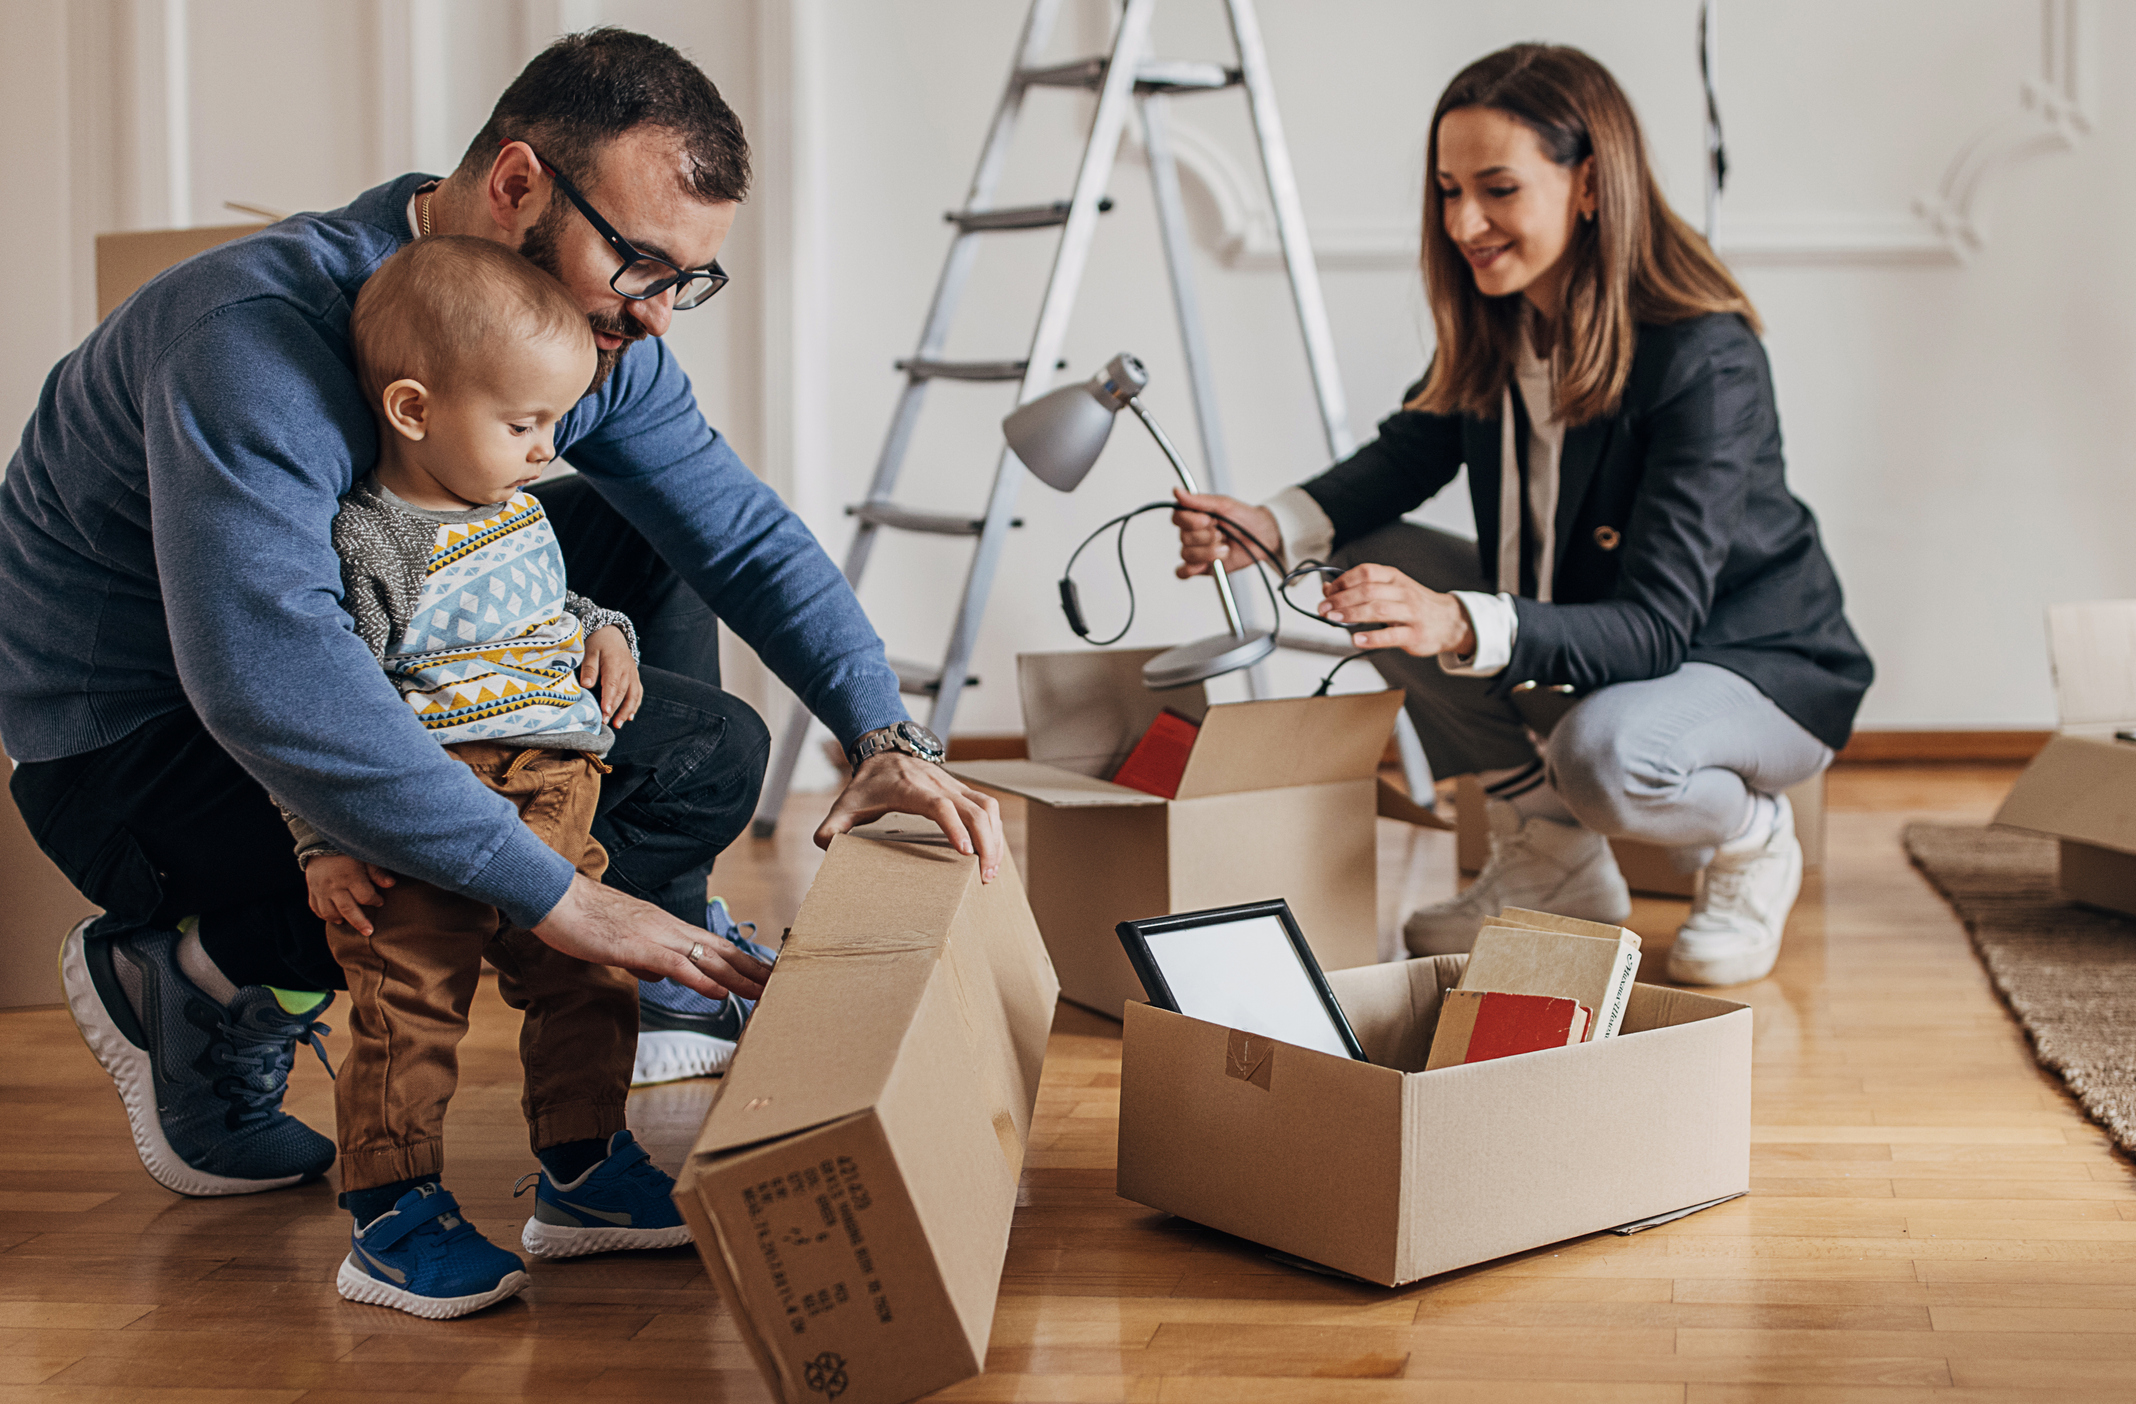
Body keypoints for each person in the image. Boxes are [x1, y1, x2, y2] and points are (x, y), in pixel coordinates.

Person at [0, 28, 1001, 1200]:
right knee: (704, 757)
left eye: (689, 279)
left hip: (376, 629)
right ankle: (203, 969)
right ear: (518, 183)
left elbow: (732, 528)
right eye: (641, 264)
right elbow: (269, 679)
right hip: (147, 747)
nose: (662, 314)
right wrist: (564, 897)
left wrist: (886, 738)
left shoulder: (580, 332)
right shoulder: (253, 338)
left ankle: (661, 949)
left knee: (641, 537)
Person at [1173, 44, 1872, 986]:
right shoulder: (1498, 328)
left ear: (1589, 183)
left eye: (1497, 189)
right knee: (1356, 572)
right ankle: (1555, 854)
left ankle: (1753, 841)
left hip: (1756, 661)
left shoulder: (1702, 354)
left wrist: (1458, 617)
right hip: (1610, 640)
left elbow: (1659, 626)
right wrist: (1267, 524)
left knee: (1608, 754)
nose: (1465, 221)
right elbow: (1397, 464)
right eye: (1449, 190)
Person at [304, 235, 716, 1317]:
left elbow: (538, 610)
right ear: (412, 411)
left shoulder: (514, 506)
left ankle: (583, 1172)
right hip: (427, 801)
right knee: (411, 1002)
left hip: (555, 789)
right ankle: (390, 1214)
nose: (545, 452)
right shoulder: (372, 540)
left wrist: (608, 630)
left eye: (553, 425)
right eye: (523, 425)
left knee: (587, 976)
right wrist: (323, 839)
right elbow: (313, 699)